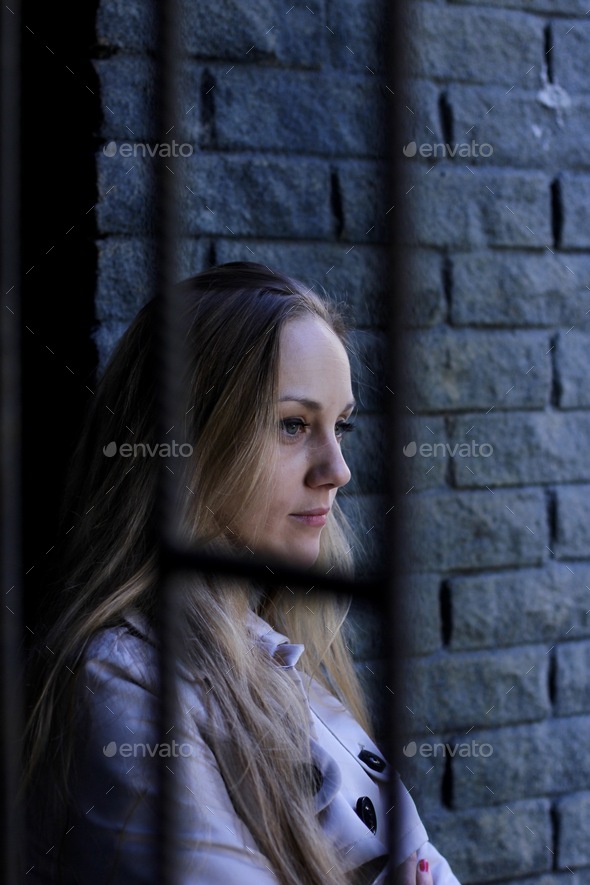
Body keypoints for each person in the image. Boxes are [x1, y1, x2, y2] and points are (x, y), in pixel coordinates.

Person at [21, 261, 460, 884]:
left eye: (341, 426)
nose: (337, 469)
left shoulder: (282, 654)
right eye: (292, 425)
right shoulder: (123, 679)